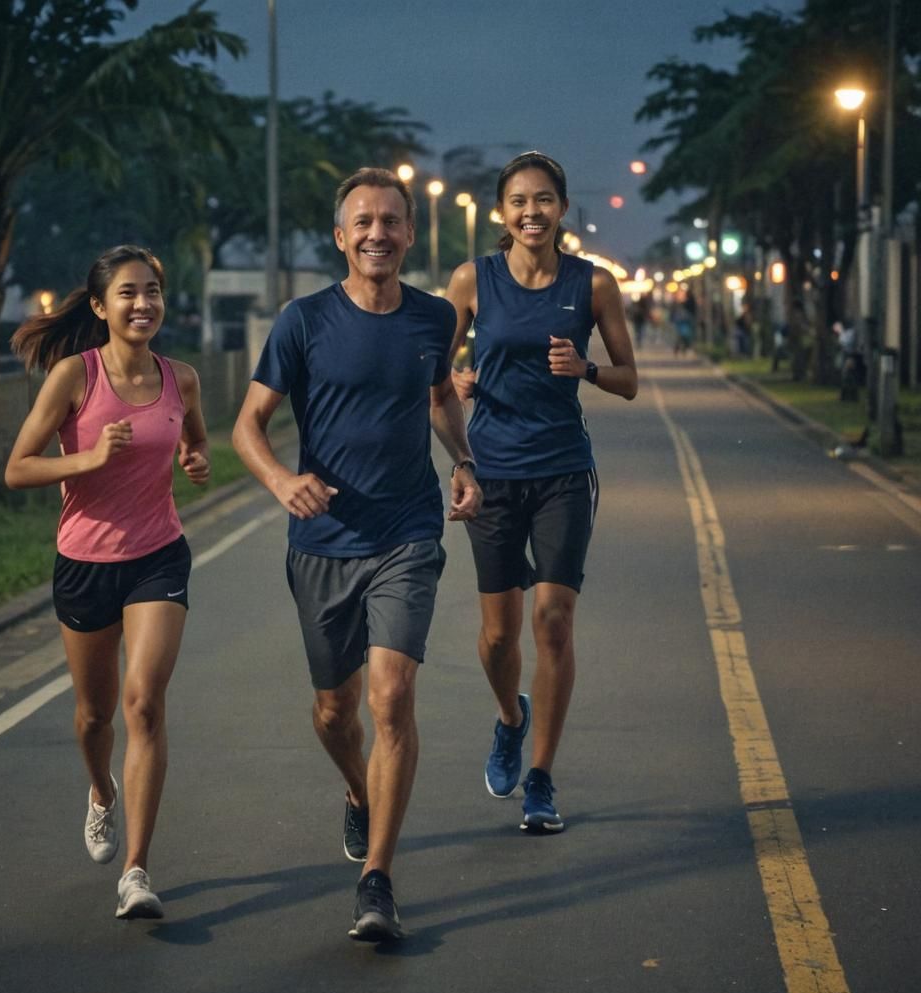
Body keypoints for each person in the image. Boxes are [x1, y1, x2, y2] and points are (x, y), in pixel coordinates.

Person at [232, 167, 481, 943]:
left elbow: (440, 394)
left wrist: (464, 462)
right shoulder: (302, 321)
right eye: (363, 221)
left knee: (389, 698)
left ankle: (377, 880)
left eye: (391, 221)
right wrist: (280, 480)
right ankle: (356, 789)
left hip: (407, 532)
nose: (378, 233)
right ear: (341, 237)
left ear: (411, 234)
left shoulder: (435, 319)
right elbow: (247, 424)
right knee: (336, 712)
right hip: (322, 543)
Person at [5, 245, 210, 919]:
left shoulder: (182, 378)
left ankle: (137, 871)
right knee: (94, 718)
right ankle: (101, 793)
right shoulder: (74, 376)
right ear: (100, 306)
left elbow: (195, 438)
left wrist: (196, 457)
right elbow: (18, 468)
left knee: (143, 703)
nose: (143, 303)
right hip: (85, 562)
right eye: (127, 293)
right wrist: (89, 458)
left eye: (152, 290)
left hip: (159, 555)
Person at [445, 151, 637, 834]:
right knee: (499, 638)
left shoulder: (593, 285)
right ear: (503, 212)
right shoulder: (473, 280)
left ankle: (542, 778)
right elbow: (433, 372)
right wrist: (455, 382)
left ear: (561, 209)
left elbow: (628, 379)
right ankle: (509, 718)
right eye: (520, 201)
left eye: (545, 200)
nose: (532, 212)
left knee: (552, 619)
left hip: (562, 470)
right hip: (492, 472)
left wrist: (584, 367)